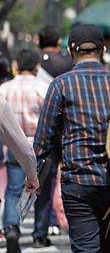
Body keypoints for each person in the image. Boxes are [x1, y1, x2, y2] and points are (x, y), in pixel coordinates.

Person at [34, 24, 110, 252]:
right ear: (102, 50)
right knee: (109, 242)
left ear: (71, 51)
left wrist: (34, 174)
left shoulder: (60, 84)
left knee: (85, 246)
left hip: (78, 181)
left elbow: (44, 138)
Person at [0, 49, 46, 253]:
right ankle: (40, 234)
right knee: (43, 190)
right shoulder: (43, 88)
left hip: (11, 145)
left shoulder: (5, 89)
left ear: (17, 64)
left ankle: (11, 227)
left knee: (13, 189)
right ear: (37, 65)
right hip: (38, 144)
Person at [33, 26, 74, 246]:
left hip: (45, 130)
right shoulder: (68, 62)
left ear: (39, 41)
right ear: (59, 42)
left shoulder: (34, 63)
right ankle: (73, 224)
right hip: (68, 131)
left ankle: (40, 233)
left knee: (44, 183)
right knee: (72, 179)